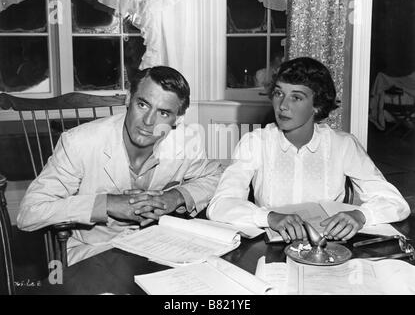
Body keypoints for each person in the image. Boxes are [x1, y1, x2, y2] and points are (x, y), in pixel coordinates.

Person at [18, 66, 223, 265]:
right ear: (128, 99)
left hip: (159, 246)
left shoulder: (187, 142)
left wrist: (175, 197)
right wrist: (106, 204)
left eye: (163, 113)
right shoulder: (79, 142)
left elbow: (218, 177)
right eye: (142, 105)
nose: (148, 121)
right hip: (92, 252)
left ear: (178, 118)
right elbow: (29, 213)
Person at [207, 57, 410, 243]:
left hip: (328, 249)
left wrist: (360, 215)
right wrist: (269, 217)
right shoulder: (255, 143)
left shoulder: (342, 145)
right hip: (274, 250)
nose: (283, 106)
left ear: (317, 106)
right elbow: (220, 205)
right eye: (279, 93)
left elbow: (395, 203)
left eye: (296, 97)